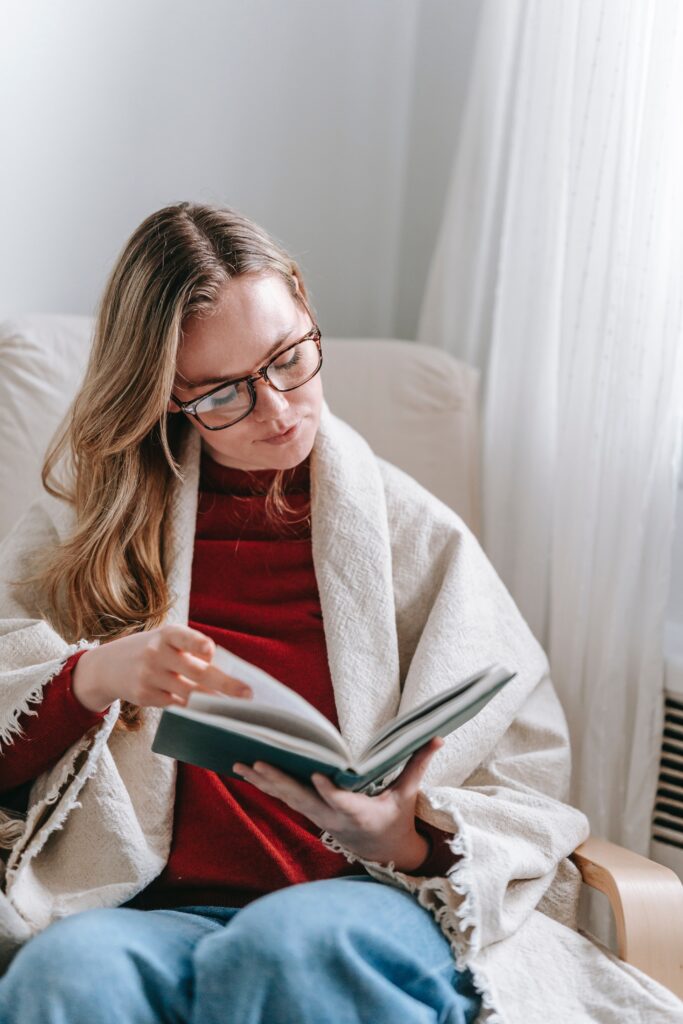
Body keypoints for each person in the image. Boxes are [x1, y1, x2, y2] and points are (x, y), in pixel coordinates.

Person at [0, 203, 679, 1024]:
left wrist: (405, 839)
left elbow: (520, 768)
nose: (277, 408)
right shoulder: (80, 532)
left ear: (304, 306)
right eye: (223, 393)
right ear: (162, 397)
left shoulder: (415, 534)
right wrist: (90, 678)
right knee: (65, 972)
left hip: (368, 898)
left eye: (289, 358)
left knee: (291, 948)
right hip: (155, 909)